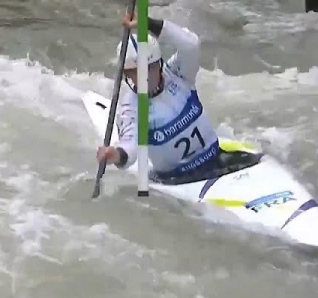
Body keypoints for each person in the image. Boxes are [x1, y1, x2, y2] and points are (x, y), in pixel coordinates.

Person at [95, 10, 227, 183]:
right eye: (135, 72)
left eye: (148, 68)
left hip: (216, 159)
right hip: (178, 179)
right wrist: (117, 155)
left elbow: (190, 45)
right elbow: (131, 145)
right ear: (127, 75)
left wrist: (148, 23)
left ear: (159, 63)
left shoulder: (179, 75)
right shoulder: (131, 108)